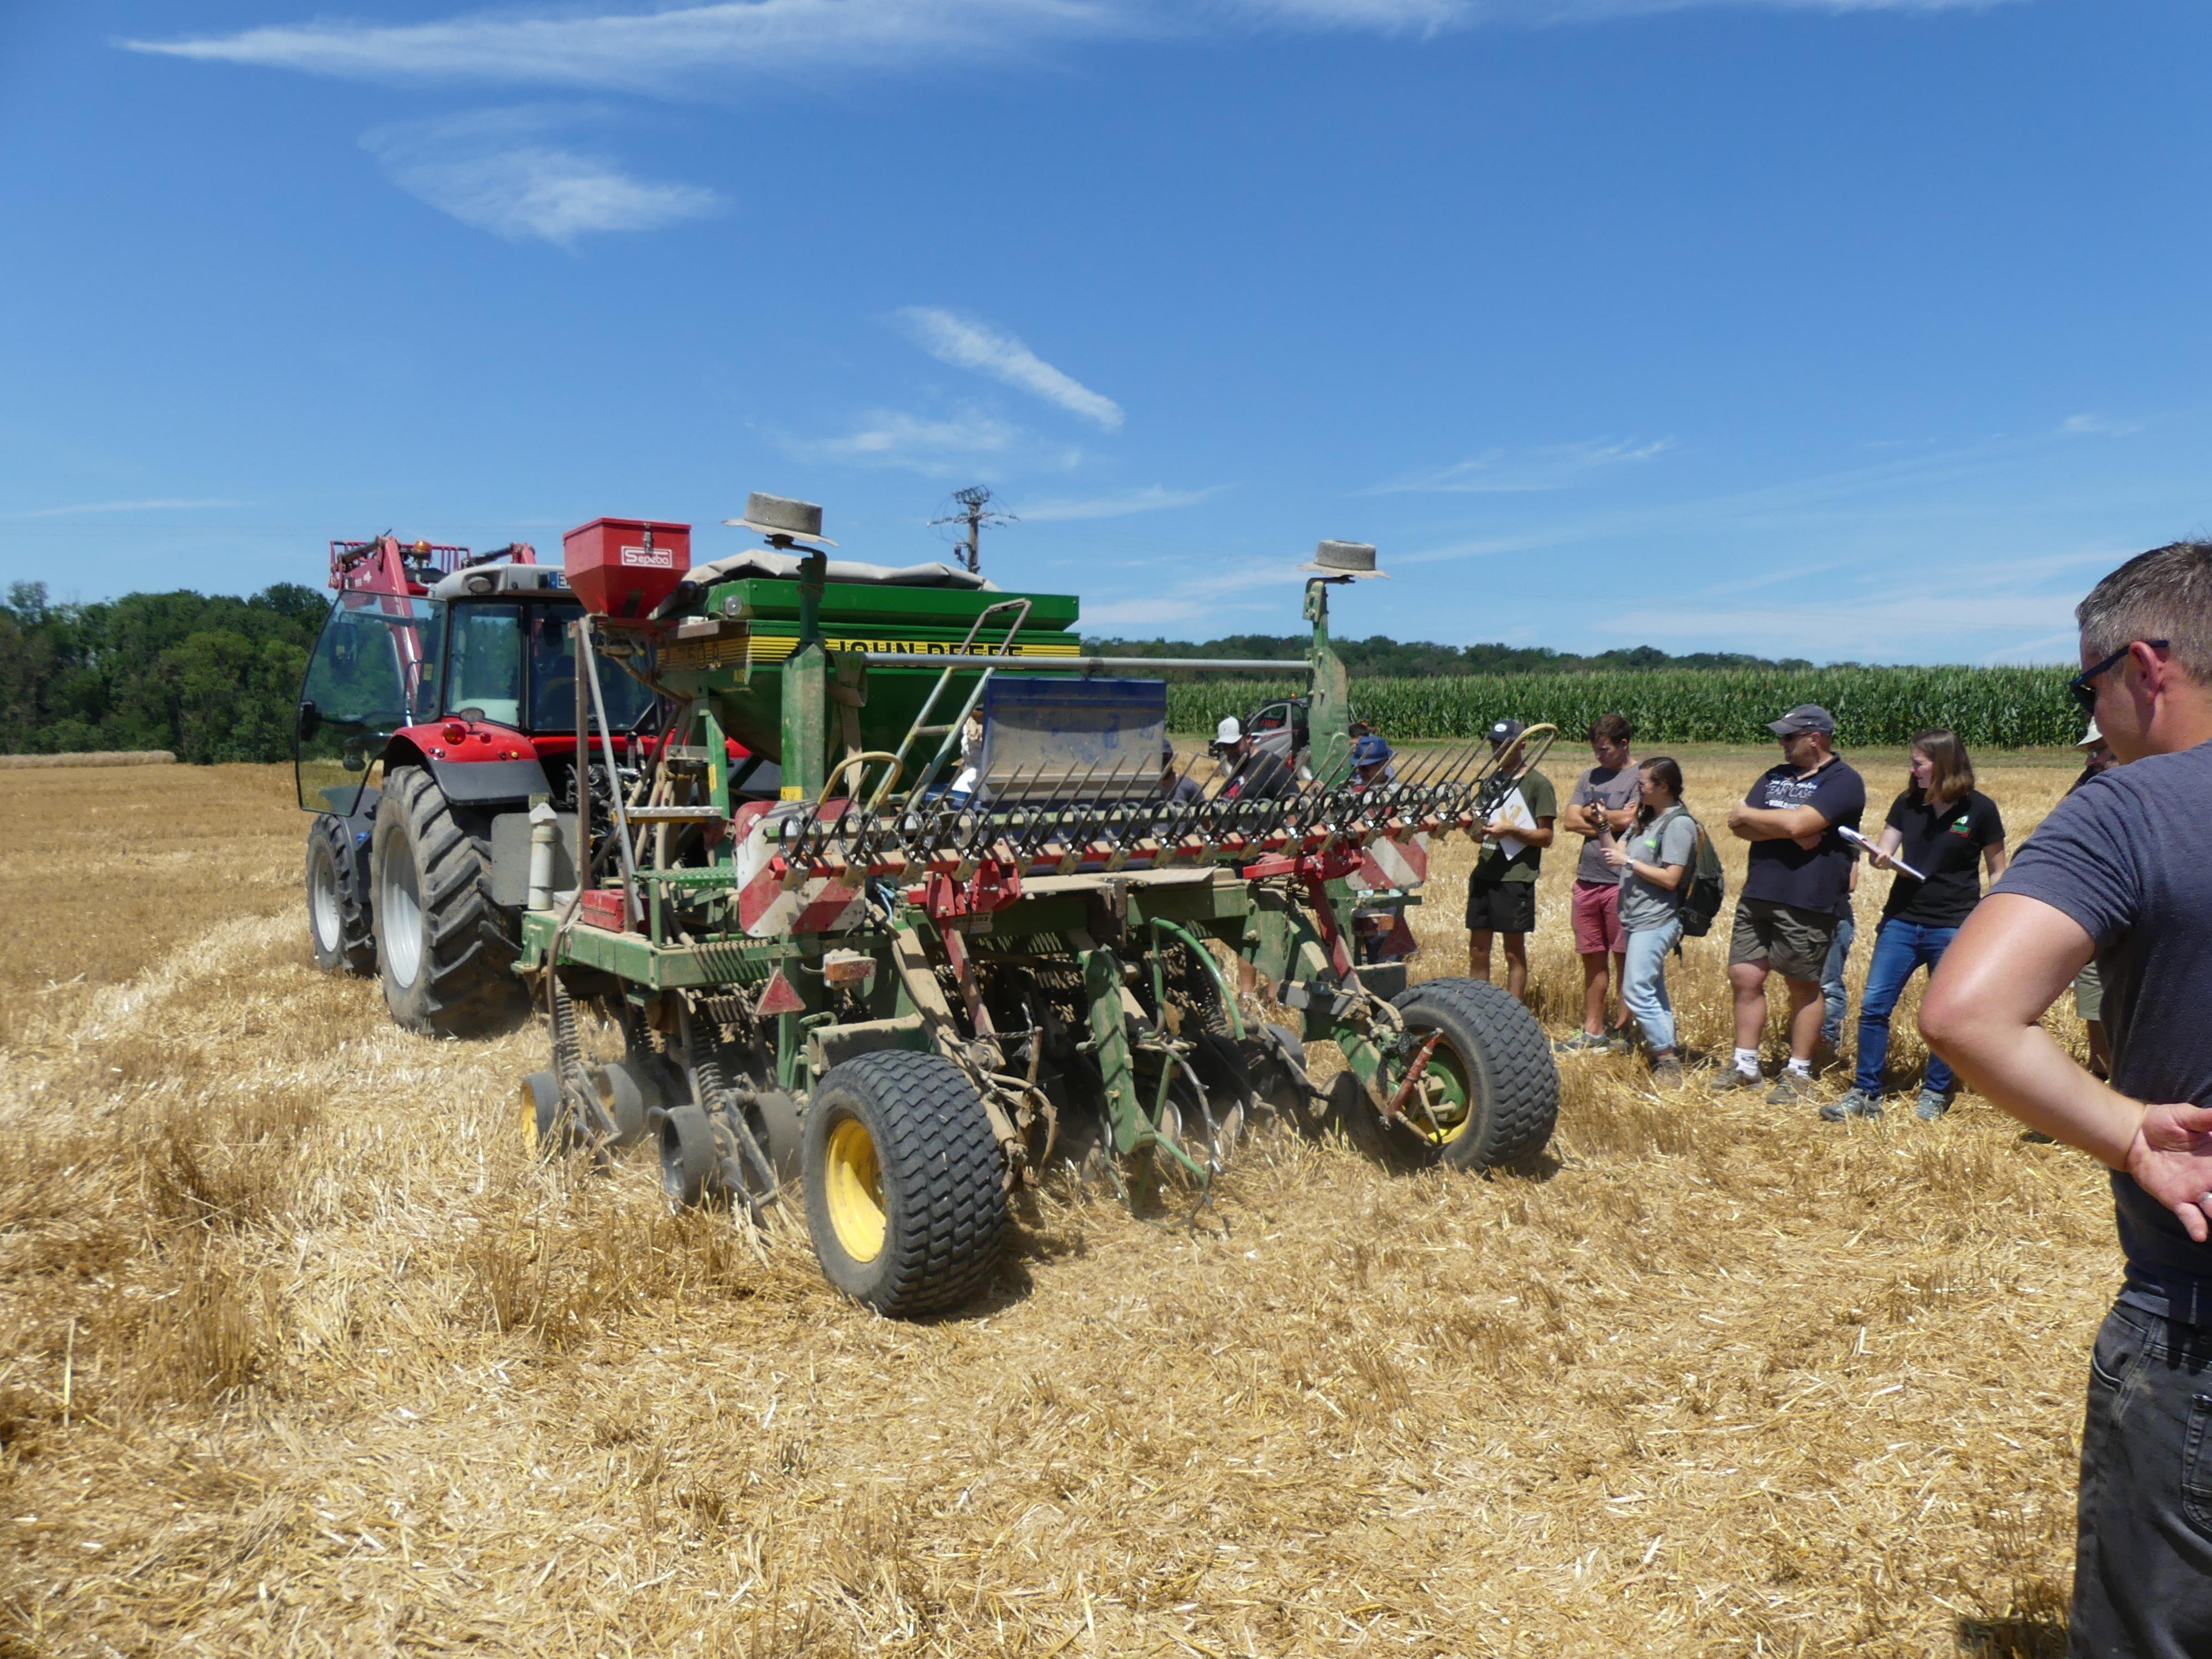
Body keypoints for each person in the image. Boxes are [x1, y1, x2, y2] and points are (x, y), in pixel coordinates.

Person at [1919, 541, 2212, 1656]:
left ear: (2144, 664)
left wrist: (2129, 1132)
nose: (2085, 714)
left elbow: (1964, 1016)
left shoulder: (2127, 810)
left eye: (2081, 687)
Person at [1823, 730, 2006, 1123]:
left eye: (1918, 763)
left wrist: (1996, 918)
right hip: (1902, 921)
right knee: (1874, 1007)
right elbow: (1885, 850)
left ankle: (1936, 1092)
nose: (1912, 769)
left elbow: (1998, 871)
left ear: (1942, 764)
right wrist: (1879, 856)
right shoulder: (1907, 804)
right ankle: (1866, 1091)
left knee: (1942, 1016)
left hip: (1954, 925)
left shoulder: (1981, 810)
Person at [1715, 705, 1866, 1104]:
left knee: (1803, 984)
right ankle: (1745, 1064)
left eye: (1788, 737)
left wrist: (1763, 817)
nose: (1781, 744)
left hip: (1808, 897)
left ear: (1814, 738)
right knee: (1744, 976)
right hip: (1759, 891)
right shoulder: (1774, 776)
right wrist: (1784, 827)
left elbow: (1795, 824)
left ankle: (1798, 1070)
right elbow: (1737, 825)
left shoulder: (1844, 781)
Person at [1601, 757, 1698, 1089]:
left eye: (1643, 783)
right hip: (1636, 917)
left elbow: (1671, 878)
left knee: (1636, 988)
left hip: (1657, 920)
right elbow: (1616, 856)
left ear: (1663, 787)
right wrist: (1603, 827)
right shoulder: (1646, 819)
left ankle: (1667, 1058)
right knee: (1653, 989)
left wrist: (1629, 860)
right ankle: (1664, 1047)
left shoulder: (1679, 825)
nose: (1637, 788)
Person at [1557, 714, 1642, 1055]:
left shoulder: (1642, 777)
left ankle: (1624, 1032)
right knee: (1592, 959)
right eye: (1595, 749)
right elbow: (1568, 821)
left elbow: (1635, 820)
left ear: (1624, 744)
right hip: (1588, 879)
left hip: (1623, 882)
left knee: (1625, 960)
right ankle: (1592, 1030)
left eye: (1604, 749)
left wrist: (1597, 817)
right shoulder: (1589, 776)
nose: (1598, 756)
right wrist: (1609, 821)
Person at [1466, 718, 1555, 1005]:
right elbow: (1479, 836)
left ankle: (1512, 1010)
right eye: (1494, 745)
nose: (1498, 751)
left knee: (1513, 951)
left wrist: (1513, 831)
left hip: (1515, 876)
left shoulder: (1538, 785)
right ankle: (1478, 1008)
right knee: (1479, 948)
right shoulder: (1490, 781)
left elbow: (1546, 837)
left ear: (1522, 746)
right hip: (1485, 872)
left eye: (1505, 746)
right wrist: (1472, 828)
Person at [2068, 719, 2117, 1079]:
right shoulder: (2088, 786)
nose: (2091, 761)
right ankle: (2101, 1082)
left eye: (2099, 751)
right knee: (2094, 1007)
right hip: (2098, 919)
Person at [1819, 859, 1859, 1060]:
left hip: (1836, 917)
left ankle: (1828, 1042)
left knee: (1828, 984)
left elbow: (1850, 884)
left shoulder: (1846, 839)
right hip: (1806, 915)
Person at [1213, 715, 1292, 800]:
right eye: (1225, 746)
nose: (1229, 751)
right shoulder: (1238, 764)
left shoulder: (1271, 764)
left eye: (1233, 745)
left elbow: (1292, 804)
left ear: (1248, 738)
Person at [1162, 736, 1202, 805]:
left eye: (1165, 759)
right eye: (1157, 760)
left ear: (1172, 758)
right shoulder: (1143, 790)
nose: (1162, 765)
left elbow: (1203, 811)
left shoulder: (1188, 787)